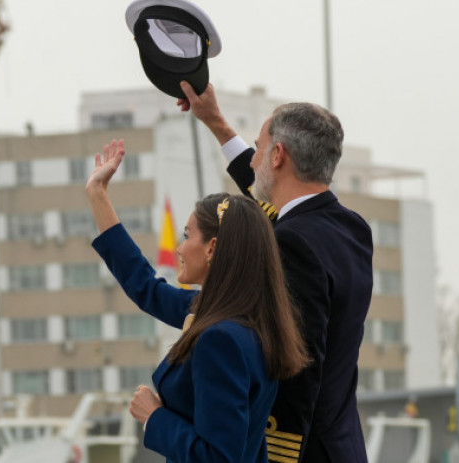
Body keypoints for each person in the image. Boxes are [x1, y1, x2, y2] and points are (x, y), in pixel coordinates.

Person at [177, 82, 374, 463]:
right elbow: (265, 205)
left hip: (302, 453)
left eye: (260, 149)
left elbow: (297, 366)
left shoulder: (292, 244)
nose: (253, 160)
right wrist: (216, 123)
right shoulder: (351, 228)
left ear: (279, 155)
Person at [85, 139, 308, 463]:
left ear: (212, 248)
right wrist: (97, 194)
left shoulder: (221, 338)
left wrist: (154, 417)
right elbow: (146, 287)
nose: (178, 248)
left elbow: (218, 458)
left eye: (187, 235)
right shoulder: (243, 319)